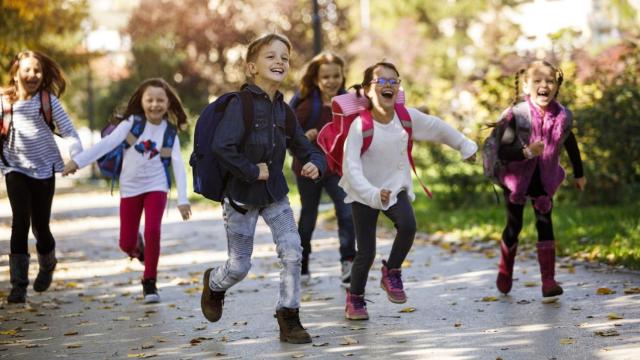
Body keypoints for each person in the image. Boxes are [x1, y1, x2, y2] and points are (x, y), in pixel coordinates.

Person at [199, 33, 326, 344]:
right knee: (239, 267)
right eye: (270, 56)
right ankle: (214, 284)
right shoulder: (239, 105)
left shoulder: (284, 110)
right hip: (240, 199)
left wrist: (315, 163)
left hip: (275, 195)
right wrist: (251, 169)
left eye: (284, 56)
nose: (279, 61)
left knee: (293, 251)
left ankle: (289, 316)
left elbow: (303, 145)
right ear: (252, 67)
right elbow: (222, 146)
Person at [339, 62, 477, 320]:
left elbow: (437, 128)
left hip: (395, 187)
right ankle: (355, 298)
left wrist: (465, 146)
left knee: (409, 225)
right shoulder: (360, 126)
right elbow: (351, 168)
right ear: (369, 90)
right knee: (365, 252)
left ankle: (391, 271)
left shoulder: (406, 117)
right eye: (381, 81)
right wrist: (370, 193)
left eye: (394, 81)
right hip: (364, 192)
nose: (388, 85)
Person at [62, 78, 191, 303]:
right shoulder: (132, 123)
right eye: (149, 100)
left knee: (153, 231)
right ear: (141, 102)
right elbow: (106, 144)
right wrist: (78, 161)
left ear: (168, 103)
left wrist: (182, 199)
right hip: (130, 188)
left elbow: (178, 165)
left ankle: (150, 281)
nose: (154, 105)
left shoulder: (169, 132)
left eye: (160, 100)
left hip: (156, 186)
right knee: (126, 243)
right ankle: (140, 251)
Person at [493, 59, 585, 298]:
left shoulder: (562, 116)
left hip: (544, 177)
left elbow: (570, 142)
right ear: (526, 86)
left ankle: (549, 281)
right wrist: (525, 152)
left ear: (556, 86)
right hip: (516, 178)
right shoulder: (518, 116)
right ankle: (505, 268)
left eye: (550, 81)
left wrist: (579, 173)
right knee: (515, 225)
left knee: (545, 223)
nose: (544, 85)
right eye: (537, 80)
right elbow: (502, 151)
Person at [1, 51, 83, 304]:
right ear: (15, 73)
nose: (32, 75)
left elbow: (70, 132)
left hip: (45, 169)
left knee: (41, 227)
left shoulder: (48, 101)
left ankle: (47, 264)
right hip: (14, 167)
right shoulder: (4, 102)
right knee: (20, 222)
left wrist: (74, 157)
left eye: (37, 70)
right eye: (26, 70)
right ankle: (19, 286)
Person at [289, 52, 355, 285]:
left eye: (336, 75)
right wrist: (305, 137)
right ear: (317, 78)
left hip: (337, 168)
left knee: (347, 212)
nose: (331, 81)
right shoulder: (307, 103)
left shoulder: (348, 101)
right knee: (308, 216)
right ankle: (302, 262)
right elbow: (290, 133)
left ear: (342, 76)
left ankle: (348, 261)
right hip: (308, 167)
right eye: (326, 76)